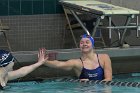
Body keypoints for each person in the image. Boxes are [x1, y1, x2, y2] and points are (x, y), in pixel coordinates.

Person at [40, 34, 112, 81]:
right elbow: (60, 64)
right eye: (81, 43)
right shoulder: (77, 63)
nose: (84, 44)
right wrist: (44, 61)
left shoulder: (104, 58)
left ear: (92, 45)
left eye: (87, 42)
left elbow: (108, 79)